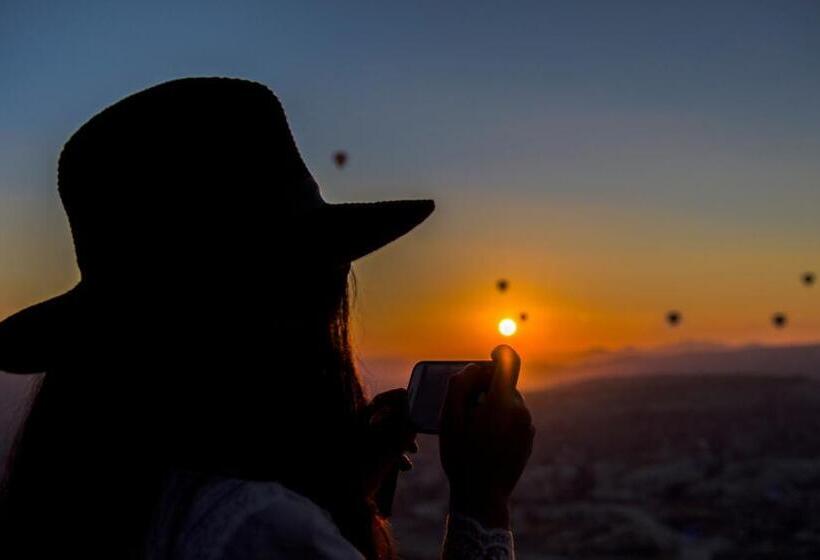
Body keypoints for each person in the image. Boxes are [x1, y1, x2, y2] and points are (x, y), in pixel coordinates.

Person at [0, 78, 534, 559]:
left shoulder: (94, 493)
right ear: (290, 305)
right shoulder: (257, 528)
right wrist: (482, 505)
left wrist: (346, 490)